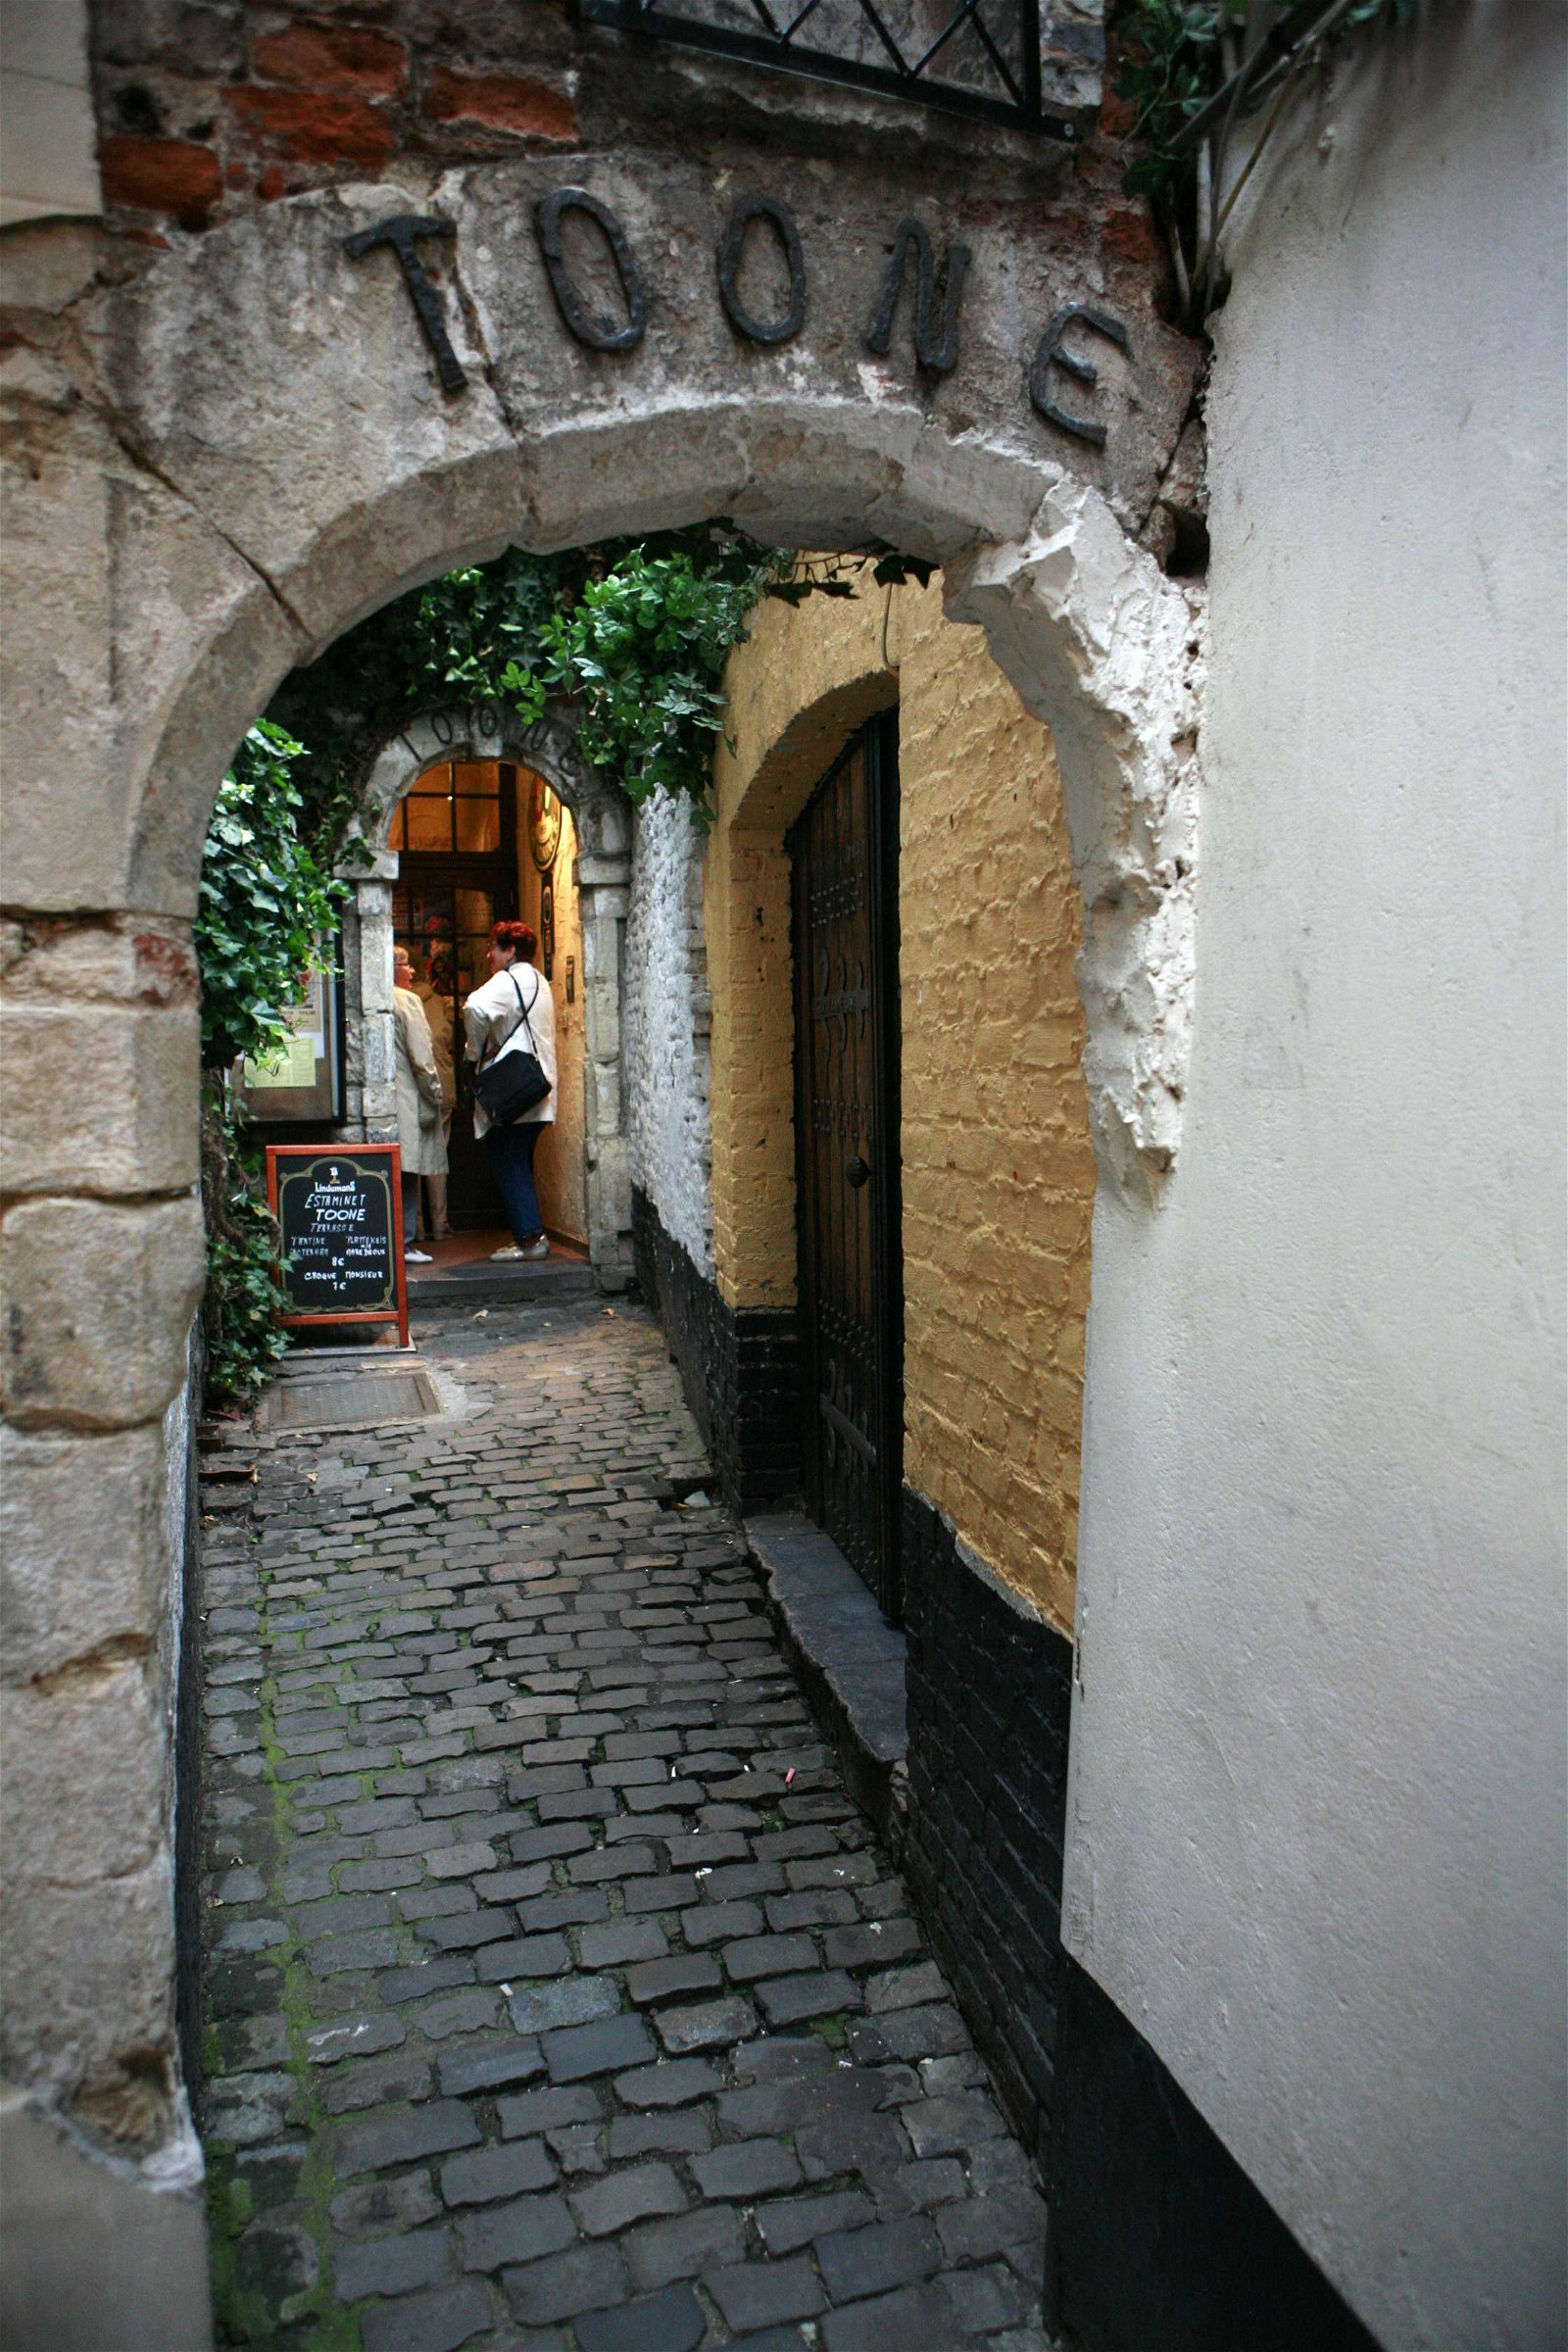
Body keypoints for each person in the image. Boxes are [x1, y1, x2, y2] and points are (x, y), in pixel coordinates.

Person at [463, 917, 556, 1261]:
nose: (489, 955)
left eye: (495, 948)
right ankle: (528, 1234)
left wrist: (474, 1051)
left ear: (510, 950)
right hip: (537, 1089)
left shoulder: (508, 979)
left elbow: (473, 1006)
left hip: (512, 1091)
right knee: (519, 1160)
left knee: (508, 1161)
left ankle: (530, 1239)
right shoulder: (539, 981)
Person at [392, 945, 447, 1264]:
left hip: (390, 1098)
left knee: (396, 1170)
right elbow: (422, 1057)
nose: (411, 971)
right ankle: (406, 1242)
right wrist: (435, 1093)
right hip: (410, 1098)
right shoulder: (408, 1001)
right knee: (409, 1170)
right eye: (405, 964)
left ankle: (401, 1239)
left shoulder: (375, 999)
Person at [412, 947, 457, 1240]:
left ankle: (414, 1227)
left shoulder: (398, 1001)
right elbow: (448, 1039)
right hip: (442, 1085)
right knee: (437, 1157)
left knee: (412, 1159)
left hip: (411, 1089)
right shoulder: (441, 1003)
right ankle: (440, 1224)